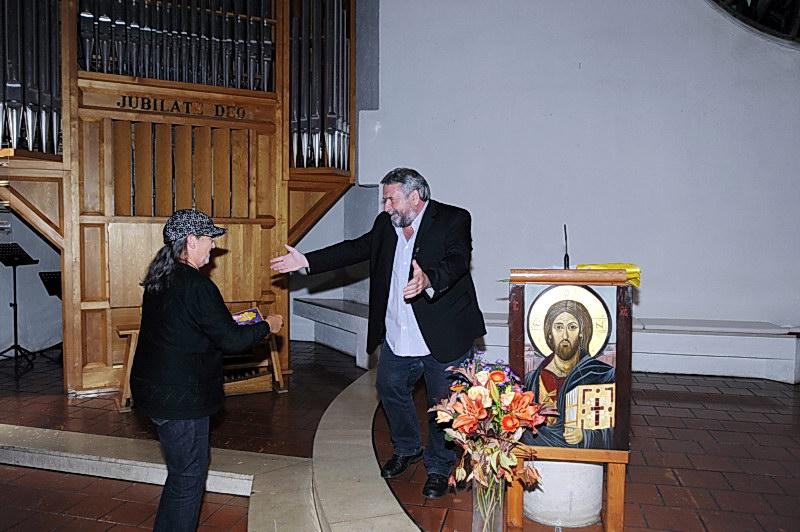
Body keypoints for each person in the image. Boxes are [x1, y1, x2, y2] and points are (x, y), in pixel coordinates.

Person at [270, 167, 485, 498]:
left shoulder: (453, 218)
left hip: (443, 333)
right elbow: (355, 248)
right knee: (389, 387)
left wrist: (429, 279)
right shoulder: (386, 224)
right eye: (385, 200)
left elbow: (458, 259)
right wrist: (307, 261)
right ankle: (407, 448)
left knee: (444, 406)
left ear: (415, 197)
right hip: (399, 331)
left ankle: (439, 468)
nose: (386, 207)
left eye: (391, 199)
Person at [130, 209, 283, 531]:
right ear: (191, 240)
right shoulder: (197, 286)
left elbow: (187, 329)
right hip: (181, 397)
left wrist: (229, 326)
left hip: (156, 390)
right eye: (209, 239)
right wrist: (266, 325)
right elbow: (232, 341)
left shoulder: (160, 279)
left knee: (182, 473)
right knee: (189, 478)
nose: (213, 246)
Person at [522, 299, 615, 448]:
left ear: (582, 333)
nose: (565, 335)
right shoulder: (531, 379)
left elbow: (614, 424)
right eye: (558, 327)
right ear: (549, 333)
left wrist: (586, 434)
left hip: (583, 458)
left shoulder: (601, 374)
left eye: (572, 327)